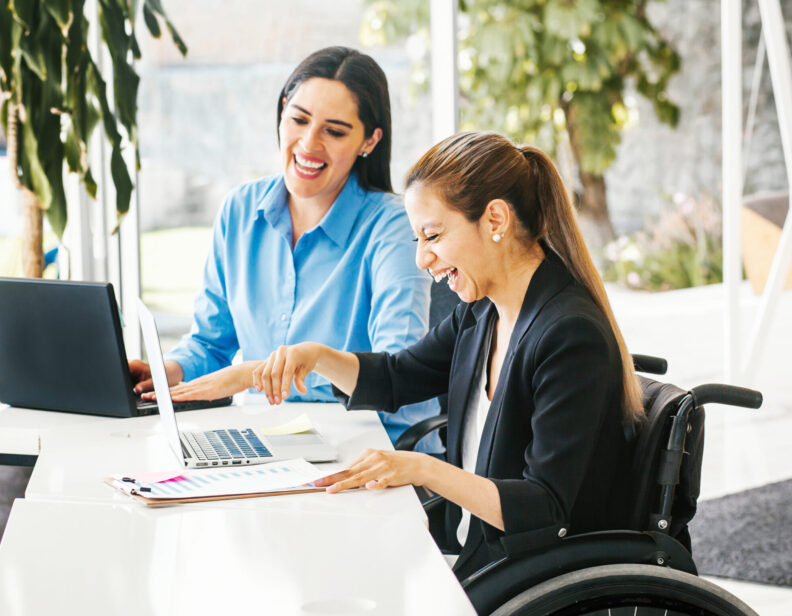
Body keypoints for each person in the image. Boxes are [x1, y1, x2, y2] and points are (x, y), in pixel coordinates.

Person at [245, 130, 645, 579]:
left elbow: (544, 506)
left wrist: (420, 468)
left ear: (495, 220)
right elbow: (397, 376)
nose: (421, 259)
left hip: (530, 576)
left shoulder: (570, 336)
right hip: (479, 555)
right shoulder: (481, 315)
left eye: (432, 235)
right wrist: (316, 355)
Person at [129, 46, 439, 446]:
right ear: (281, 113)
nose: (309, 144)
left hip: (375, 451)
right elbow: (211, 342)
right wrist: (167, 371)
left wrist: (251, 374)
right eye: (299, 119)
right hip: (274, 444)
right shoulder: (240, 210)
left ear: (369, 141)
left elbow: (397, 371)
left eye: (335, 130)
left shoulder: (393, 228)